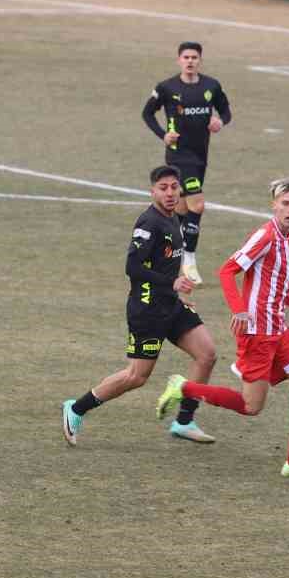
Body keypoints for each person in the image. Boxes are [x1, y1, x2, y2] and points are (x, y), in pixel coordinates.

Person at [154, 177, 289, 480]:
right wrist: (238, 309)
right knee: (251, 406)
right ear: (273, 205)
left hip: (280, 329)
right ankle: (183, 387)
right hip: (258, 335)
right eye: (285, 203)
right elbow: (228, 270)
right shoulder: (265, 236)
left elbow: (282, 288)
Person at [61, 165, 218, 445]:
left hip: (172, 305)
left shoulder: (173, 219)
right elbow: (132, 266)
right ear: (152, 191)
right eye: (163, 188)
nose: (170, 193)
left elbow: (168, 259)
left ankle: (184, 421)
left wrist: (179, 287)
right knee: (136, 376)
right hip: (148, 310)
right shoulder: (149, 223)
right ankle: (76, 408)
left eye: (174, 187)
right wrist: (171, 284)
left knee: (207, 354)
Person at [140, 41, 232, 285]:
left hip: (201, 154)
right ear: (179, 60)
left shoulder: (211, 86)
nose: (190, 61)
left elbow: (226, 111)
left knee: (180, 210)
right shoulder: (167, 87)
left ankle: (169, 254)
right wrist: (163, 135)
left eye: (194, 57)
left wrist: (220, 122)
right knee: (198, 204)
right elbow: (147, 113)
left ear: (200, 60)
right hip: (178, 154)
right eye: (186, 57)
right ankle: (189, 259)